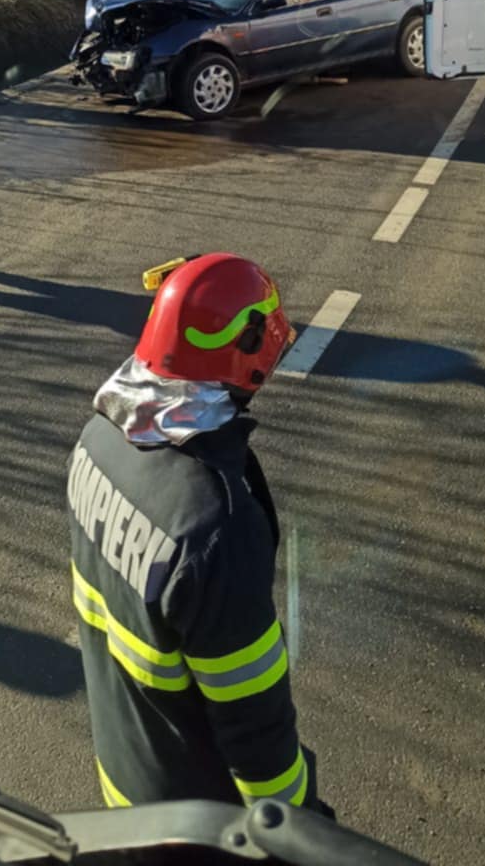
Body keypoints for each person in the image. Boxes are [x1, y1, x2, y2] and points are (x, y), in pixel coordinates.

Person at [66, 253, 327, 815]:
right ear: (247, 349)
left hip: (127, 788)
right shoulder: (212, 527)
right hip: (201, 828)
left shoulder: (96, 440)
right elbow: (253, 720)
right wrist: (301, 827)